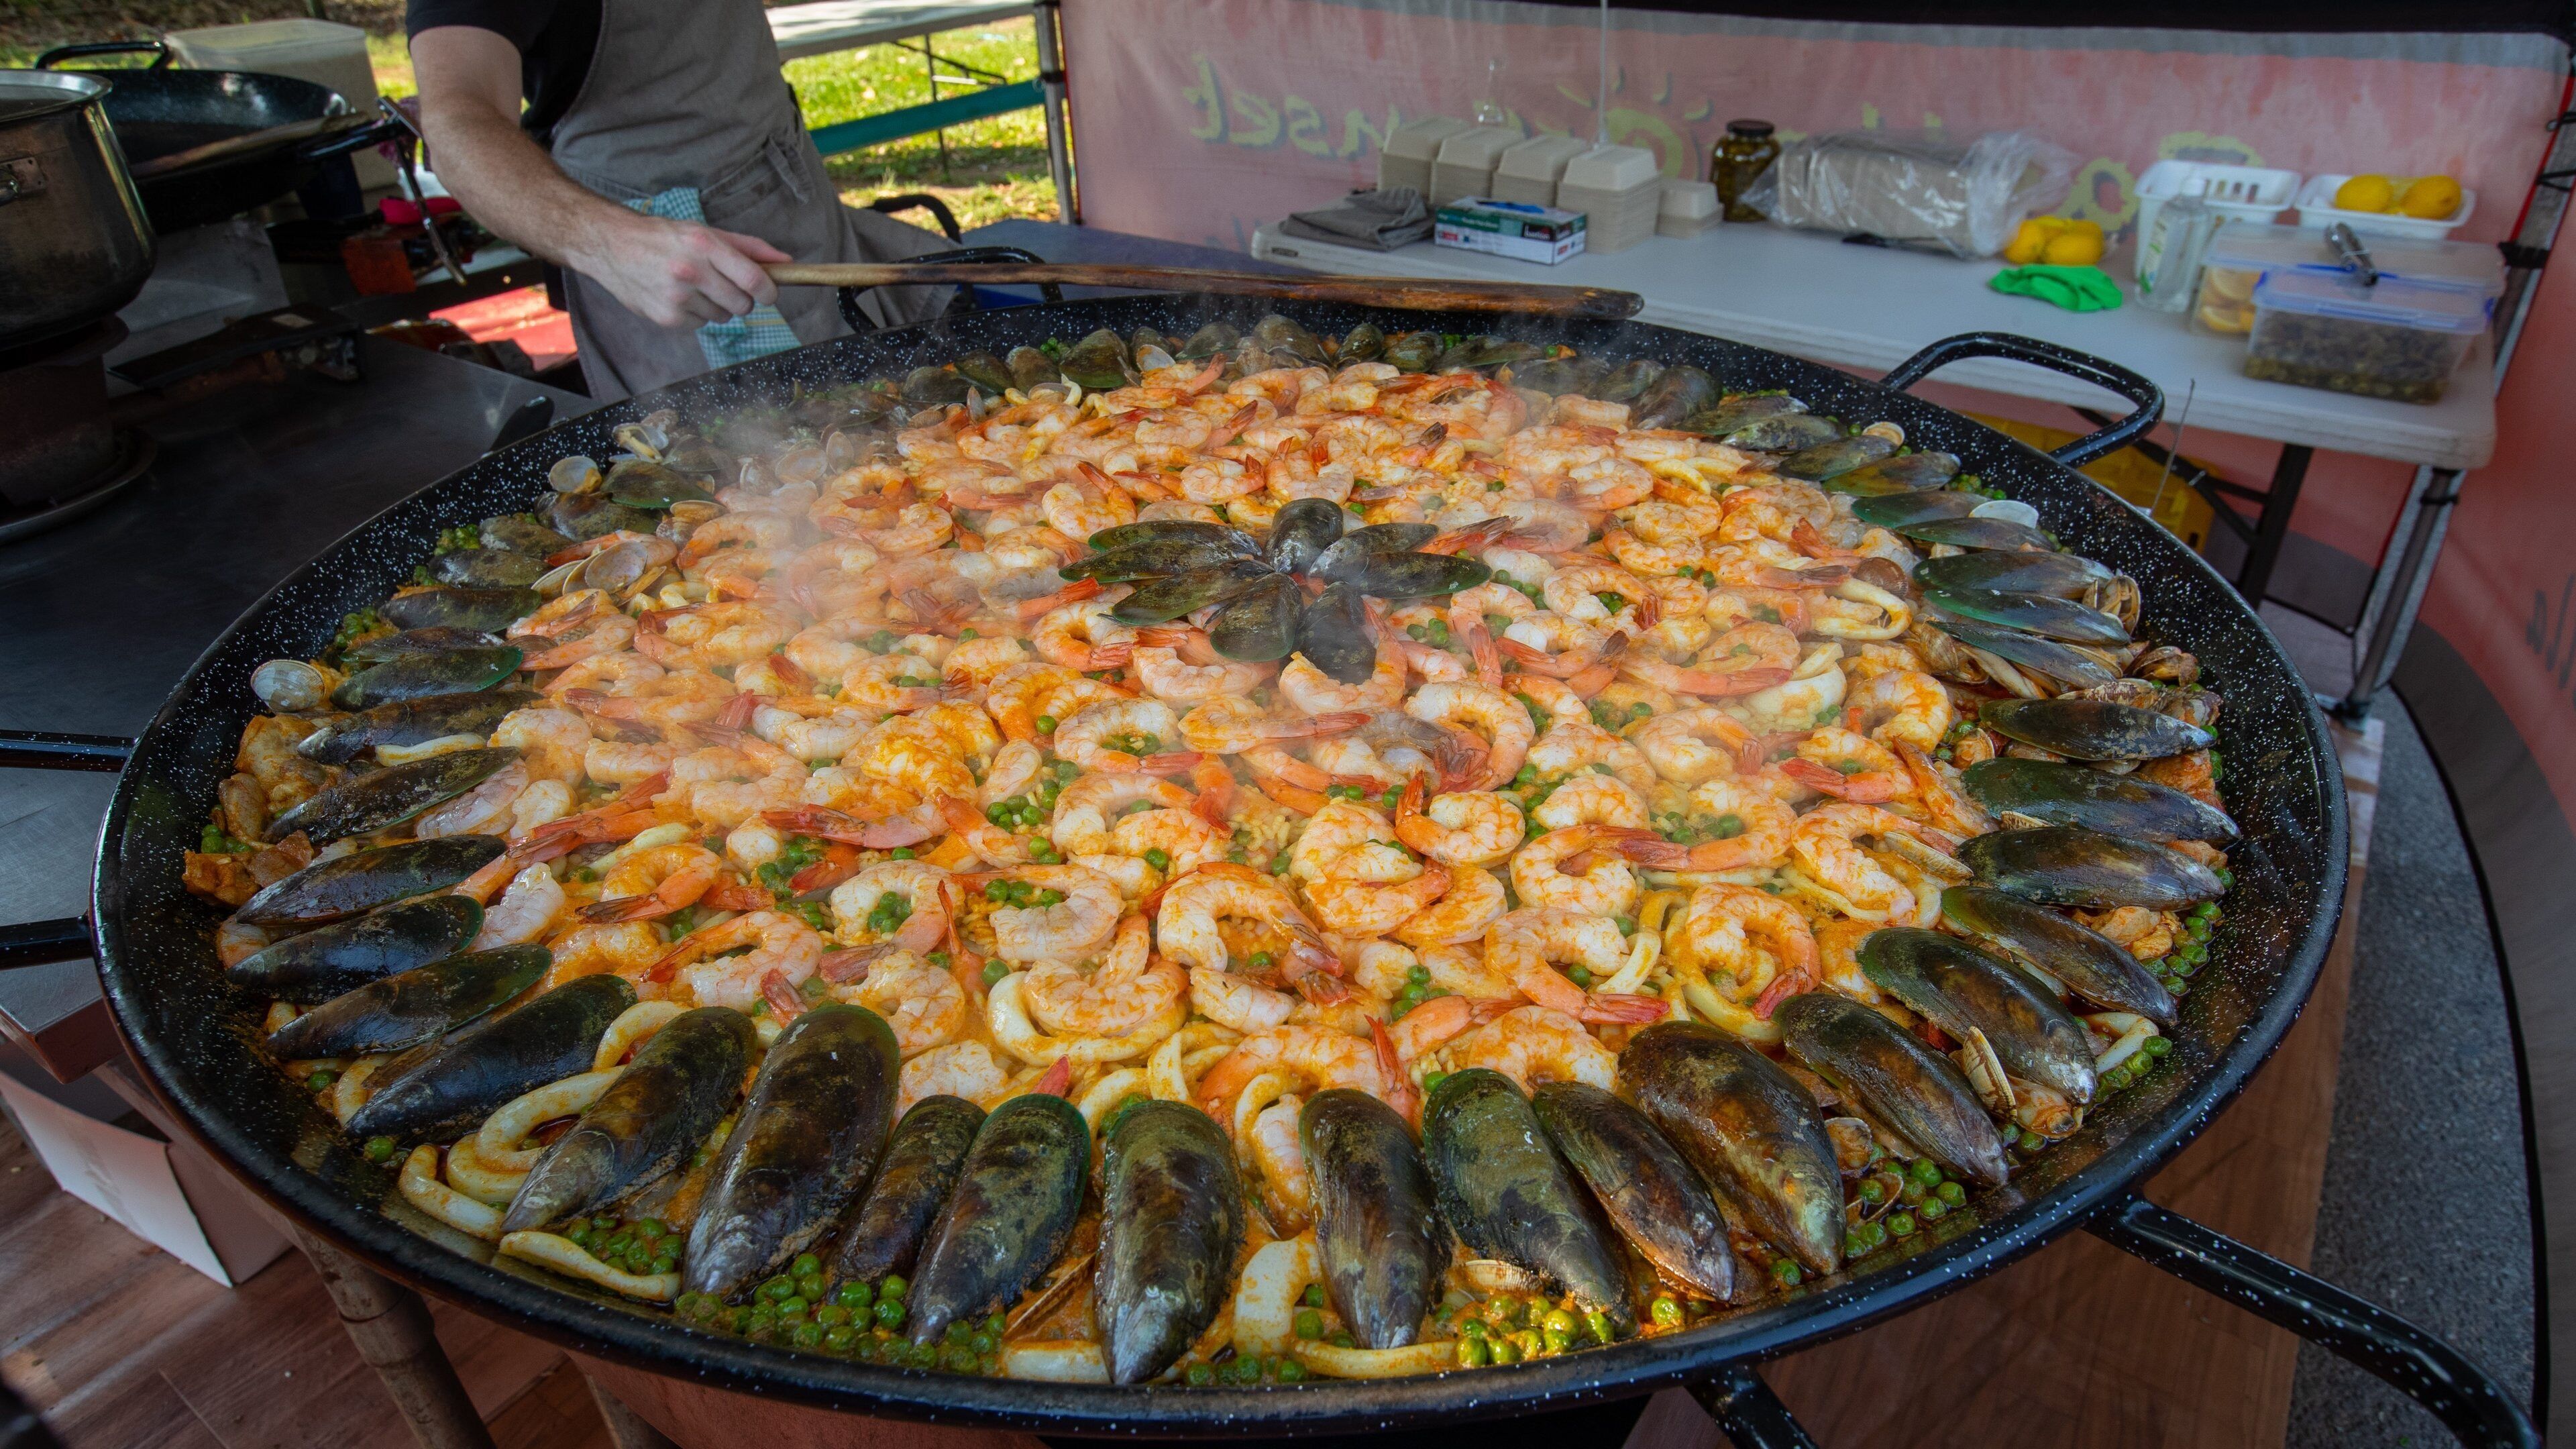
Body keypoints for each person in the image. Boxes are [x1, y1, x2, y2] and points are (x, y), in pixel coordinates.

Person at [407, 0, 952, 399]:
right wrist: (607, 244)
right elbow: (457, 123)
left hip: (792, 196)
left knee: (880, 424)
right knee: (727, 477)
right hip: (660, 264)